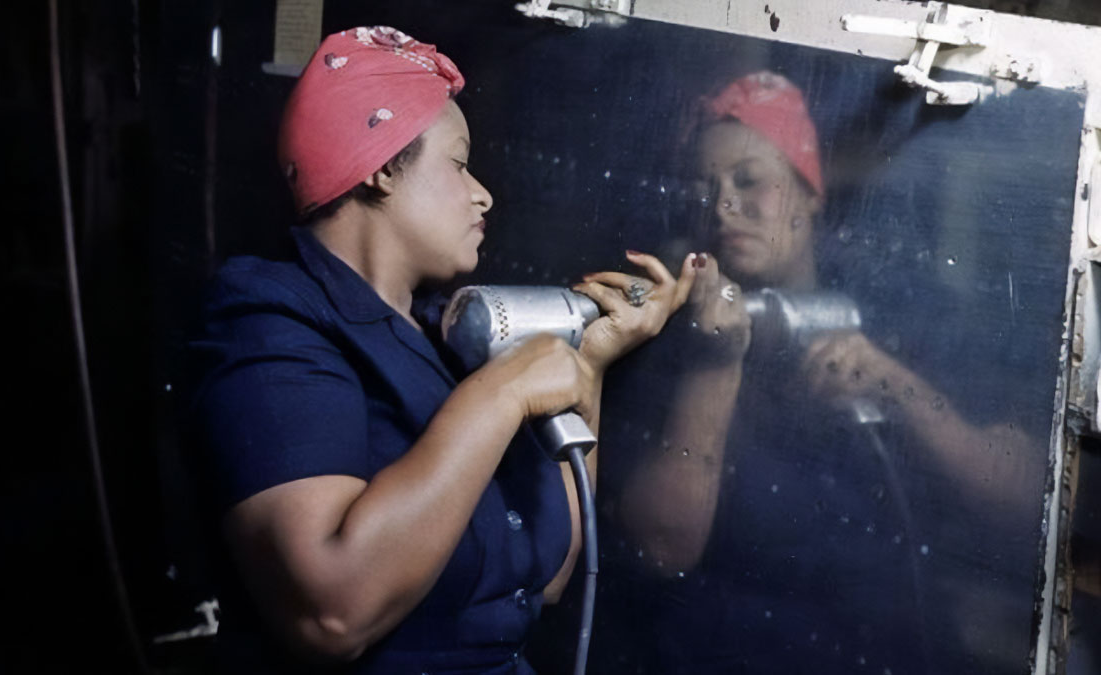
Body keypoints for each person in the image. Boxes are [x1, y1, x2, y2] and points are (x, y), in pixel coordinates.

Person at [188, 26, 699, 674]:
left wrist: (587, 367)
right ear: (381, 165)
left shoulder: (444, 335)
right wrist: (504, 392)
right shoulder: (269, 324)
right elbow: (330, 612)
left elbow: (547, 578)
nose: (483, 193)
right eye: (459, 164)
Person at [606, 71, 1042, 673]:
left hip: (894, 650)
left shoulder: (901, 311)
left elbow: (1028, 504)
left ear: (809, 191)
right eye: (703, 189)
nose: (724, 206)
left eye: (749, 180)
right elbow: (659, 548)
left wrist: (896, 387)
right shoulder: (664, 337)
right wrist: (714, 365)